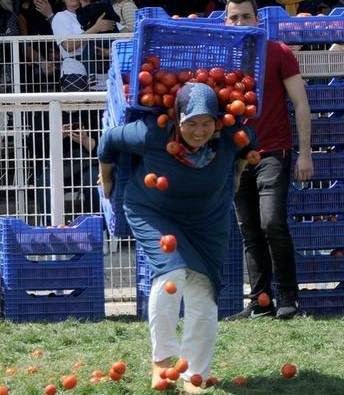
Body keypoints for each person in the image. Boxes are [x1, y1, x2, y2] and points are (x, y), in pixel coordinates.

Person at [98, 83, 256, 392]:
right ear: (177, 118)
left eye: (206, 123)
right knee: (171, 275)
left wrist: (237, 173)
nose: (199, 131)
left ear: (217, 121)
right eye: (191, 123)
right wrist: (106, 179)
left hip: (207, 221)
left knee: (204, 290)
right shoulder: (154, 133)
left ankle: (195, 373)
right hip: (152, 211)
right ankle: (162, 362)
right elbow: (108, 140)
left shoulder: (230, 135)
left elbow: (250, 143)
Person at [223, 0, 313, 320]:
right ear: (225, 22)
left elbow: (300, 104)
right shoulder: (221, 57)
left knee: (272, 222)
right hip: (235, 157)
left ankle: (288, 297)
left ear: (257, 20)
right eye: (234, 17)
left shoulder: (278, 52)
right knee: (249, 230)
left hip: (274, 150)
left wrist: (305, 154)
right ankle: (260, 303)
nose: (240, 23)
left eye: (246, 16)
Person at [52, 0, 117, 91]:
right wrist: (96, 28)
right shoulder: (61, 16)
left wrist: (108, 52)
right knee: (78, 102)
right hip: (75, 69)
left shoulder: (98, 11)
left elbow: (120, 32)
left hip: (103, 67)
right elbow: (68, 46)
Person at [18, 0, 59, 92]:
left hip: (58, 60)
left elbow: (64, 37)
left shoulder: (59, 12)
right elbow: (25, 46)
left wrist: (50, 15)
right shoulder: (24, 15)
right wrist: (42, 61)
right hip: (35, 62)